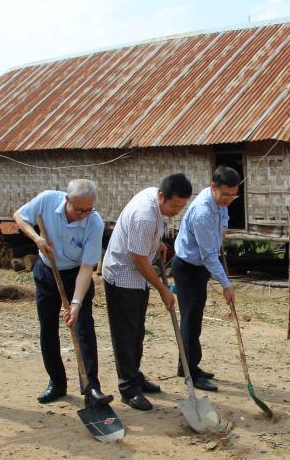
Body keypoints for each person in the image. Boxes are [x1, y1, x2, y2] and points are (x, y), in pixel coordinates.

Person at [13, 179, 113, 408]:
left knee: (83, 327)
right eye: (79, 210)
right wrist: (36, 238)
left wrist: (76, 303)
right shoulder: (47, 200)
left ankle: (91, 388)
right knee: (48, 327)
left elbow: (87, 268)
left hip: (76, 274)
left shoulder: (94, 223)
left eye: (89, 209)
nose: (84, 214)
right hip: (47, 271)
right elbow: (19, 216)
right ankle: (56, 382)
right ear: (67, 200)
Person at [101, 174, 193, 411]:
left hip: (136, 275)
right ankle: (128, 388)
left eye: (181, 207)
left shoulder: (155, 197)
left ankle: (135, 375)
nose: (176, 211)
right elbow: (140, 261)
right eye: (173, 206)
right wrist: (163, 289)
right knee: (126, 334)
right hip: (123, 274)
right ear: (161, 196)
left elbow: (147, 240)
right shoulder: (144, 215)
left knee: (138, 331)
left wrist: (157, 243)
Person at [171, 166, 240, 392]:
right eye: (226, 194)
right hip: (188, 267)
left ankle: (186, 364)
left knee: (195, 316)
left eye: (234, 194)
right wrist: (226, 285)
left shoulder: (219, 202)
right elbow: (209, 255)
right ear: (213, 188)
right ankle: (191, 371)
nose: (229, 199)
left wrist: (223, 228)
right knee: (191, 319)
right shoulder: (202, 212)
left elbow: (224, 214)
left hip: (198, 266)